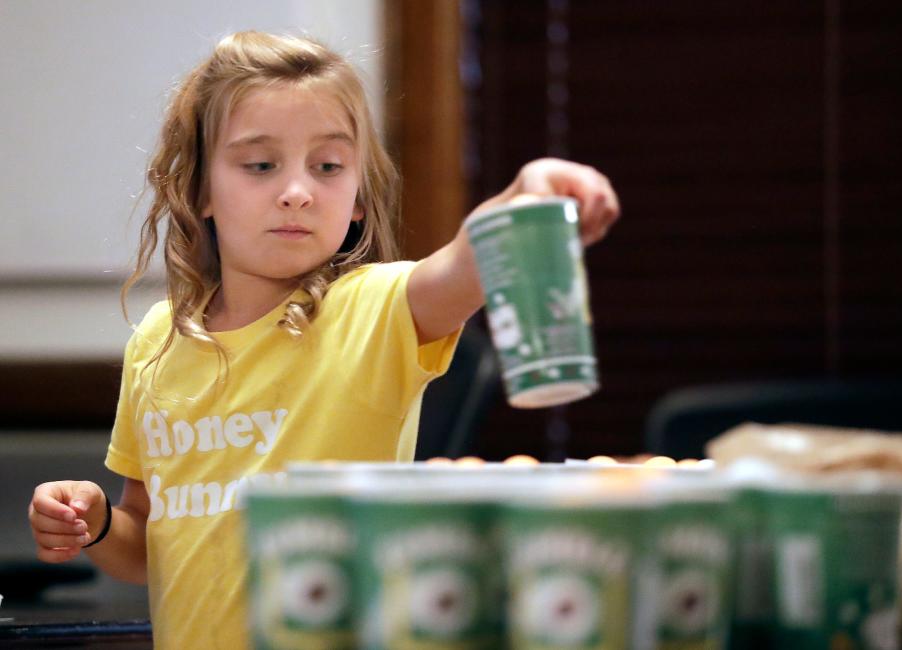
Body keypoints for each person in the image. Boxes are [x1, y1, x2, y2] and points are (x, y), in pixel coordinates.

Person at [26, 31, 619, 649]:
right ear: (200, 188)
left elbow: (466, 261)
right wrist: (93, 522)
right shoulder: (157, 340)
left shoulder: (377, 310)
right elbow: (146, 544)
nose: (298, 190)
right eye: (260, 165)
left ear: (358, 196)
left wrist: (526, 194)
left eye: (328, 166)